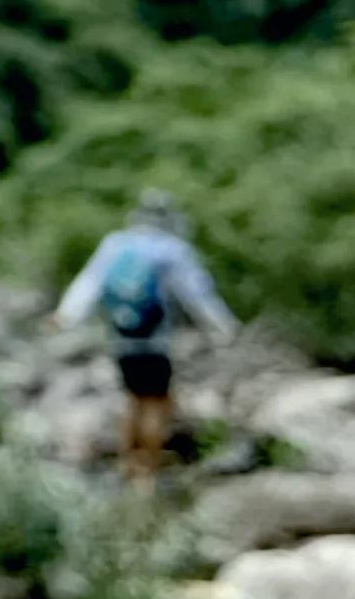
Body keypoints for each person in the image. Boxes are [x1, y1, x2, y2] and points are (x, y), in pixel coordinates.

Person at [54, 189, 238, 481]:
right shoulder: (172, 249)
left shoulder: (116, 243)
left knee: (133, 398)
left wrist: (65, 317)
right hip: (155, 338)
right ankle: (148, 471)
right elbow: (197, 294)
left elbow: (89, 282)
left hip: (121, 335)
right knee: (157, 400)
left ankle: (127, 462)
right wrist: (225, 326)